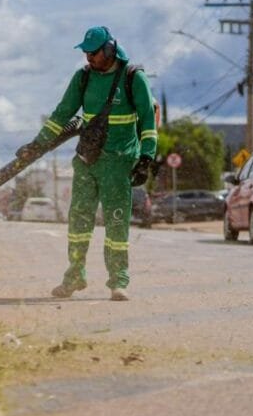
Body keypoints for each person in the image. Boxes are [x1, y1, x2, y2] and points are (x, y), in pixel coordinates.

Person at [17, 25, 157, 301]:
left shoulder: (133, 78)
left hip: (119, 164)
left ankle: (118, 280)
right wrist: (37, 143)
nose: (88, 59)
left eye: (93, 54)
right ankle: (74, 276)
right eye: (85, 54)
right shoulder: (82, 78)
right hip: (87, 161)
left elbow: (148, 122)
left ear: (109, 49)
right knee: (78, 221)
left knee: (116, 224)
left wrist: (146, 158)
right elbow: (61, 114)